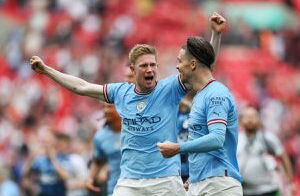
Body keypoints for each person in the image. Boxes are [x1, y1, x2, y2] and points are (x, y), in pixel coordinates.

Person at [29, 13, 226, 196]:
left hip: (165, 181)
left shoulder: (170, 89)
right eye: (144, 65)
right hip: (130, 182)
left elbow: (202, 69)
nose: (150, 69)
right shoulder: (120, 92)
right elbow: (81, 87)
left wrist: (215, 35)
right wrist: (47, 70)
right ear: (133, 69)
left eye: (153, 65)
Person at [157, 36, 243, 196]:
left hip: (219, 185)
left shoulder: (216, 93)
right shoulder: (201, 95)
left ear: (193, 64)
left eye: (180, 61)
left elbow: (217, 138)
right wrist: (195, 177)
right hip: (200, 182)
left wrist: (178, 148)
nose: (177, 66)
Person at [237, 106, 294, 196]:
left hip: (268, 190)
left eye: (253, 116)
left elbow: (283, 156)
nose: (250, 120)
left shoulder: (268, 138)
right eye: (247, 117)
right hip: (245, 191)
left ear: (259, 119)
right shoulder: (236, 140)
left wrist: (290, 182)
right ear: (240, 121)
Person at [86, 103, 122, 196]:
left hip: (139, 185)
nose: (106, 110)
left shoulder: (135, 131)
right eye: (104, 107)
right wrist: (90, 178)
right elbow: (98, 160)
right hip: (115, 188)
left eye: (110, 107)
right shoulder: (100, 137)